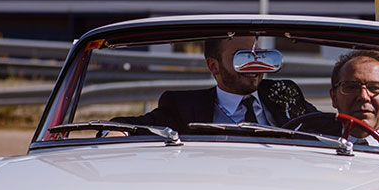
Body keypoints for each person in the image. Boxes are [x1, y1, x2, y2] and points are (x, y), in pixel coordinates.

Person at [111, 36, 317, 133]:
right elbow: (132, 125)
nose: (252, 65)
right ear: (214, 67)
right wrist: (114, 132)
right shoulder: (184, 107)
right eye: (241, 58)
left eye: (257, 56)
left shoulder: (283, 93)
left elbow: (322, 125)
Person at [328, 51, 379, 145]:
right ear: (334, 98)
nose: (363, 96)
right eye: (352, 87)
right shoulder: (312, 144)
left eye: (375, 88)